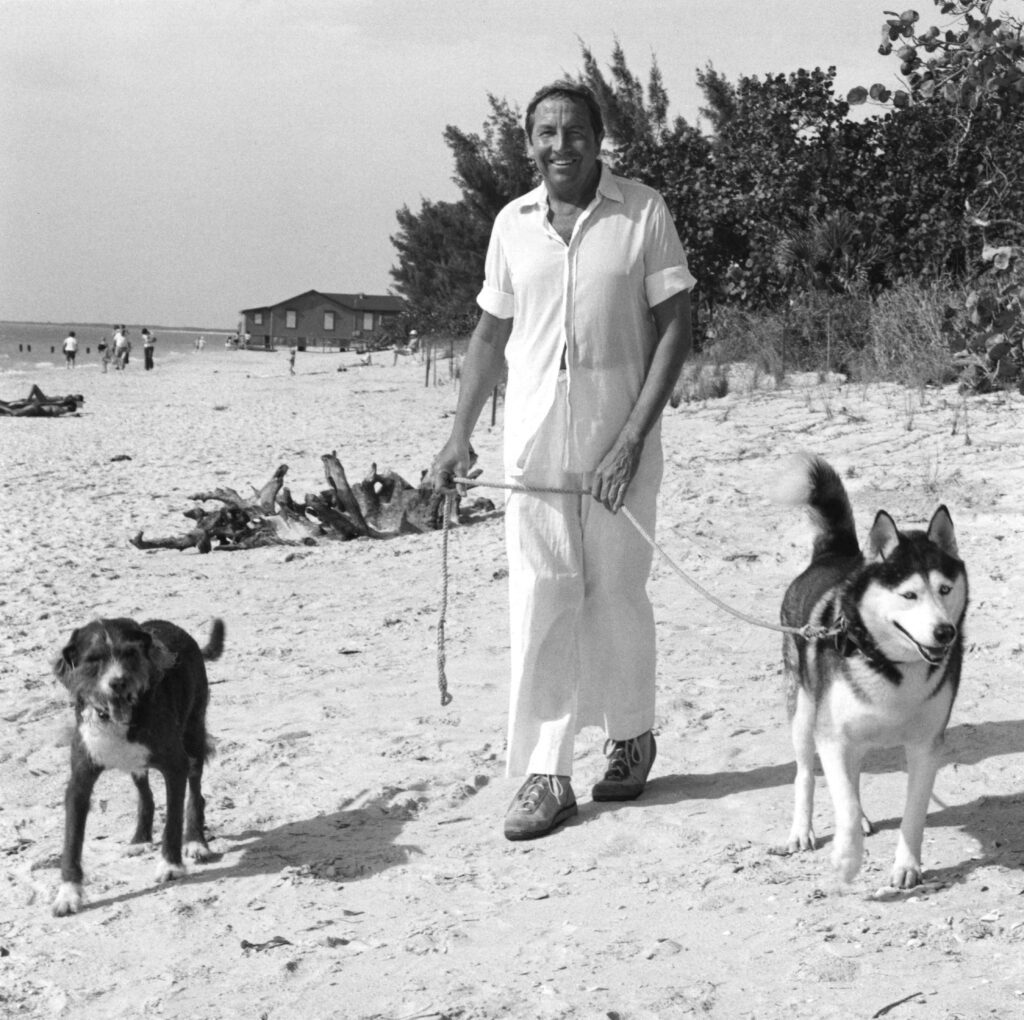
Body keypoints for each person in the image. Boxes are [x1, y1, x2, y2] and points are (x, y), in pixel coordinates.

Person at [430, 81, 695, 841]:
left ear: (598, 138)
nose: (560, 146)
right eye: (545, 133)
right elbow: (488, 336)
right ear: (528, 143)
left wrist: (634, 438)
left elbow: (675, 327)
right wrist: (458, 436)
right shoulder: (511, 223)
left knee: (616, 591)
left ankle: (632, 735)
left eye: (573, 131)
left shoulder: (642, 211)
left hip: (621, 434)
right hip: (536, 443)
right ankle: (548, 771)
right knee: (543, 595)